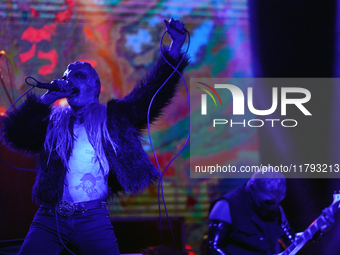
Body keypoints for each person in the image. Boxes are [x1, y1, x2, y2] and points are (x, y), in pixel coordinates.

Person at [0, 18, 189, 255]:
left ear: (95, 85)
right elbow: (15, 135)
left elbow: (150, 95)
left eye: (78, 75)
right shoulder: (54, 120)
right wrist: (46, 99)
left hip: (92, 219)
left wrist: (174, 48)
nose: (69, 79)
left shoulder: (113, 117)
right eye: (67, 75)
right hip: (49, 218)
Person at [207, 171, 335, 255]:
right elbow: (213, 249)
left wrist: (318, 231)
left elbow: (291, 245)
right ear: (252, 188)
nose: (274, 207)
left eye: (278, 202)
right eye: (268, 202)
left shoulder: (276, 209)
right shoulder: (226, 206)